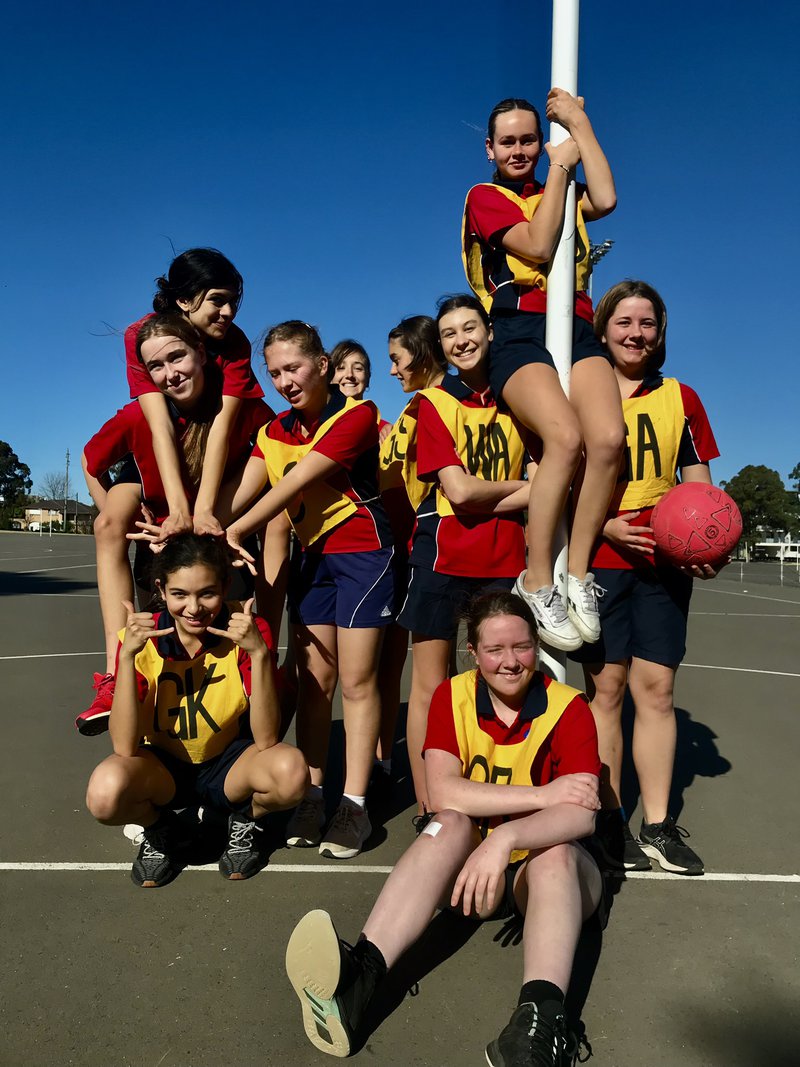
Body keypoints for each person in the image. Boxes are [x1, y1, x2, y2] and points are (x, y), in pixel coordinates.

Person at [285, 590, 603, 1066]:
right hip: (470, 871)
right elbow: (444, 793)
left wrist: (509, 838)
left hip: (541, 880)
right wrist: (542, 796)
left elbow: (581, 814)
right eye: (495, 650)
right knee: (447, 822)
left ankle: (540, 1022)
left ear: (536, 645)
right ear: (472, 653)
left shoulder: (568, 708)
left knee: (555, 851)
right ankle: (361, 977)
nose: (511, 662)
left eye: (521, 647)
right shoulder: (452, 697)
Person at [224, 321, 395, 860]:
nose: (283, 381)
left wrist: (235, 527)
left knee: (357, 680)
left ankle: (355, 803)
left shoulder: (357, 416)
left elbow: (296, 483)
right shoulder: (272, 433)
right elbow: (237, 498)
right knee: (314, 681)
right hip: (314, 560)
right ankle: (314, 794)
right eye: (273, 372)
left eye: (293, 368)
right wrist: (195, 521)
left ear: (322, 364)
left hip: (364, 555)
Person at [462, 92, 623, 652]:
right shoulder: (485, 196)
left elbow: (605, 195)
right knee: (566, 437)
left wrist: (579, 121)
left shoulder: (563, 186)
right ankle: (536, 582)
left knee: (607, 439)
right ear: (489, 148)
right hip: (519, 331)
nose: (520, 149)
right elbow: (534, 245)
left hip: (577, 327)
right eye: (508, 141)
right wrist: (559, 164)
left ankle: (577, 574)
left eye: (529, 138)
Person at [77, 249, 263, 733]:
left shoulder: (234, 346)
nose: (229, 313)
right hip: (156, 477)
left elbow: (223, 426)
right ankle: (118, 667)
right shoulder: (144, 336)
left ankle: (258, 667)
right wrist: (163, 518)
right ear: (183, 300)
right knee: (109, 521)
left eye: (233, 303)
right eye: (217, 301)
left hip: (210, 474)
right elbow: (157, 425)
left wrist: (203, 512)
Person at [574, 280, 721, 876]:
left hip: (663, 565)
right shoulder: (580, 390)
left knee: (656, 694)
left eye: (647, 324)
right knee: (605, 694)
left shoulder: (681, 397)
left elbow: (699, 482)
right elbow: (556, 474)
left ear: (660, 333)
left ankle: (657, 826)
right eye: (624, 322)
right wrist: (604, 525)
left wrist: (708, 539)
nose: (635, 333)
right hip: (601, 562)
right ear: (603, 327)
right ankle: (608, 822)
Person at [84, 534, 309, 887]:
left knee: (292, 771)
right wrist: (126, 657)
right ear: (161, 589)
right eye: (179, 594)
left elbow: (266, 738)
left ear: (225, 585)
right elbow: (125, 748)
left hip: (227, 762)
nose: (194, 608)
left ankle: (243, 818)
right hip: (165, 766)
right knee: (104, 794)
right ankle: (160, 828)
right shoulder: (143, 638)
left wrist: (261, 654)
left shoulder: (246, 629)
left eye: (207, 593)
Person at [397, 296, 531, 816]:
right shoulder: (433, 403)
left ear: (490, 331)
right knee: (432, 687)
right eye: (449, 334)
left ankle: (499, 788)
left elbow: (542, 482)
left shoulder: (518, 397)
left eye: (470, 327)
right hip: (442, 556)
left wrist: (500, 490)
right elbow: (460, 493)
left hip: (506, 560)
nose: (461, 340)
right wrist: (530, 488)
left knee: (503, 681)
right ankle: (430, 802)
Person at [371, 316, 448, 796]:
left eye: (398, 360)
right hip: (408, 552)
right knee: (428, 678)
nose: (394, 371)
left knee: (437, 679)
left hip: (434, 550)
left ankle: (443, 787)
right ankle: (431, 792)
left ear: (422, 354)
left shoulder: (436, 407)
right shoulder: (411, 412)